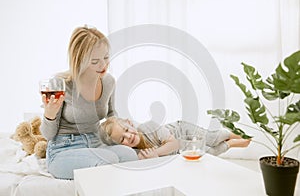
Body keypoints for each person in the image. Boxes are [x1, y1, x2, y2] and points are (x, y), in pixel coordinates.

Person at [40, 26, 138, 180]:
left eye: (106, 58)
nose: (104, 65)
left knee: (130, 155)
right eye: (95, 61)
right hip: (63, 149)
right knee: (108, 160)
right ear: (80, 61)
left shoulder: (109, 82)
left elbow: (111, 114)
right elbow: (48, 135)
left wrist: (123, 127)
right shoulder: (61, 84)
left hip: (95, 143)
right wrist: (49, 115)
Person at [100, 117, 251, 159]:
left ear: (130, 123)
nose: (129, 136)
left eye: (126, 130)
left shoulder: (148, 127)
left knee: (211, 138)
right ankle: (231, 144)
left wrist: (156, 153)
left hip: (181, 132)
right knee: (208, 153)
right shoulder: (134, 153)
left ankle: (236, 134)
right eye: (122, 140)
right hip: (179, 152)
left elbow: (175, 143)